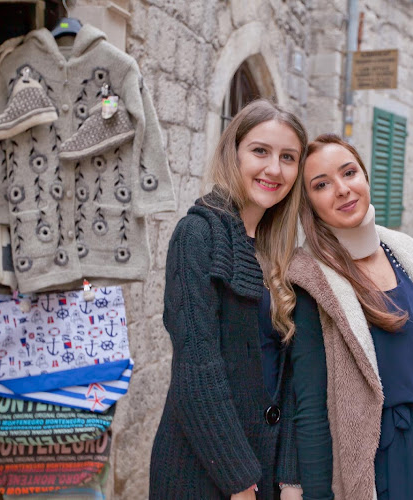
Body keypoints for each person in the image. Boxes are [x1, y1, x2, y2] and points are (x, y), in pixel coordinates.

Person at [149, 100, 306, 500]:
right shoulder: (198, 235)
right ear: (232, 153)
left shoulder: (280, 252)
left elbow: (289, 376)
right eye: (260, 151)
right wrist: (239, 483)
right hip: (204, 471)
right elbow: (197, 371)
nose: (274, 169)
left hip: (267, 471)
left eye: (288, 157)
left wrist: (290, 476)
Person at [283, 134, 413, 500]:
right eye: (322, 184)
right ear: (309, 204)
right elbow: (310, 406)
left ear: (365, 177)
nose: (342, 189)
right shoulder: (312, 281)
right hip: (371, 456)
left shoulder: (402, 251)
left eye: (349, 172)